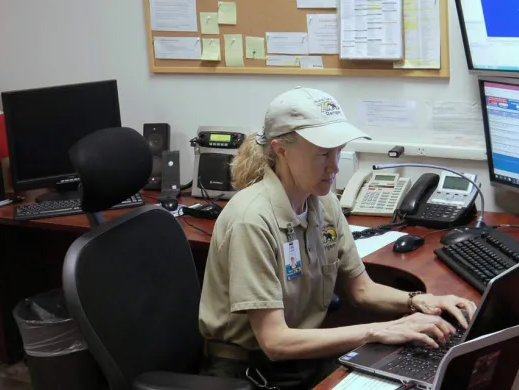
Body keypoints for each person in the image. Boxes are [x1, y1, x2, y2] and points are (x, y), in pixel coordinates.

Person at [198, 87, 477, 389]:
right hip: (249, 371)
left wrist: (421, 301)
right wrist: (378, 331)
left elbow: (362, 291)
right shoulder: (251, 219)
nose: (334, 167)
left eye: (339, 151)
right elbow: (274, 341)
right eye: (323, 154)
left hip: (303, 359)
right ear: (281, 150)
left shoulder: (323, 200)